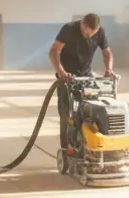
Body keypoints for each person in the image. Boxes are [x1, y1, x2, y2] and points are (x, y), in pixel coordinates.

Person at [49, 13, 115, 153]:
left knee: (90, 113)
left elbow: (107, 53)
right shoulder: (68, 29)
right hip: (66, 78)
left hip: (86, 77)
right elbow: (53, 51)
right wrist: (62, 73)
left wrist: (109, 69)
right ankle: (67, 150)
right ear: (83, 24)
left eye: (93, 34)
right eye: (88, 33)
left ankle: (89, 147)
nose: (90, 36)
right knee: (67, 116)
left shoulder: (100, 32)